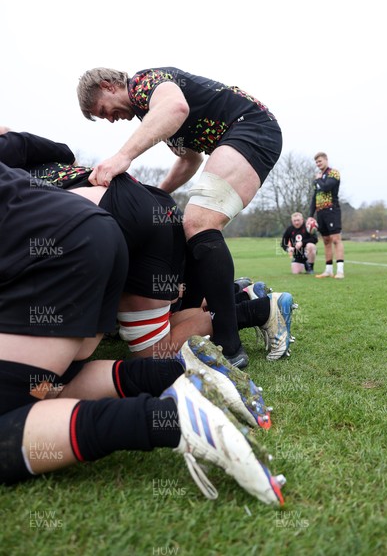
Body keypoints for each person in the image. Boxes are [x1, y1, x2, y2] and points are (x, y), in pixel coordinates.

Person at [0, 161, 286, 505]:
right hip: (102, 229)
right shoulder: (35, 164)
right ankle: (181, 371)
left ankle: (172, 417)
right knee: (51, 378)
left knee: (16, 406)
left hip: (81, 234)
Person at [0, 128, 296, 364]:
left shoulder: (20, 192)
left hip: (109, 217)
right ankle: (248, 302)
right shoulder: (32, 161)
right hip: (144, 200)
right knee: (162, 320)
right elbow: (61, 151)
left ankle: (257, 311)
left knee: (151, 350)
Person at [77, 67, 284, 367]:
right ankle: (228, 303)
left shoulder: (143, 83)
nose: (110, 119)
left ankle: (229, 344)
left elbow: (176, 107)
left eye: (103, 111)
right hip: (241, 132)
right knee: (192, 226)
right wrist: (155, 194)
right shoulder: (149, 112)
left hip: (250, 127)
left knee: (199, 223)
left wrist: (123, 156)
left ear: (109, 86)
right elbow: (190, 159)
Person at [309, 152, 345, 279]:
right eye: (317, 162)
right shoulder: (317, 178)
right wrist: (310, 215)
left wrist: (318, 179)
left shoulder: (333, 173)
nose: (318, 164)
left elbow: (326, 187)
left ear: (326, 160)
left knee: (336, 239)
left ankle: (340, 270)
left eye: (320, 161)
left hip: (332, 210)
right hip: (320, 212)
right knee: (326, 241)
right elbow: (314, 197)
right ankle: (328, 269)